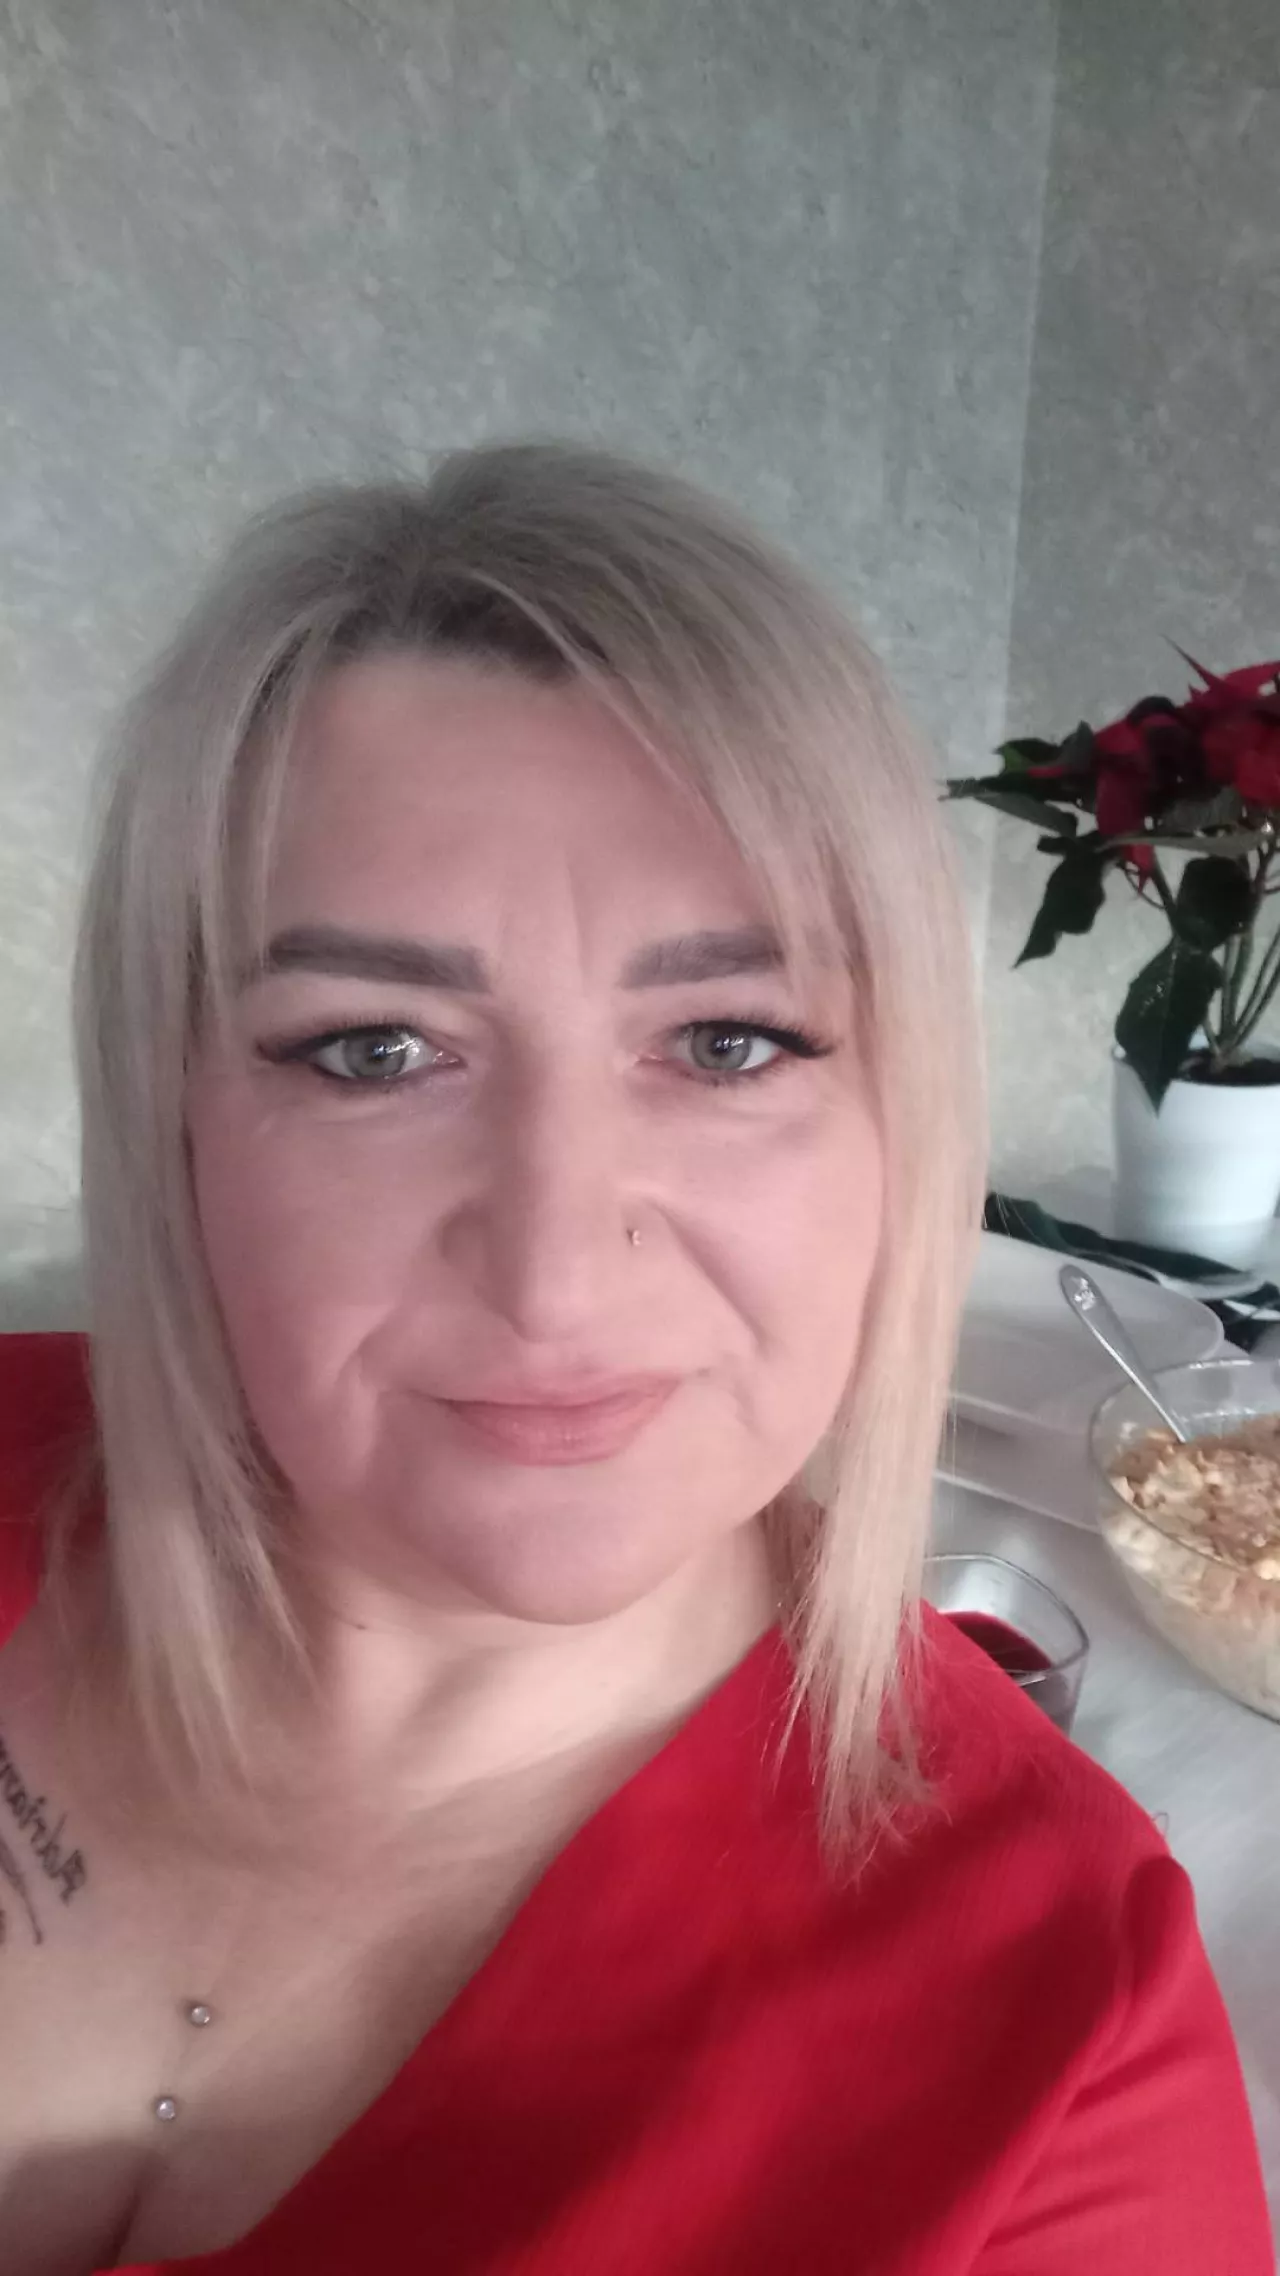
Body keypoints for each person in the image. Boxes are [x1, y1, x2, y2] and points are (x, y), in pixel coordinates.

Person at [0, 442, 1269, 2276]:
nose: (554, 1269)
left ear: (905, 1128)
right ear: (173, 1117)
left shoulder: (1065, 2053)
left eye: (730, 1042)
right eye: (372, 1049)